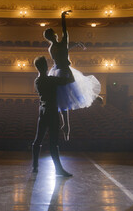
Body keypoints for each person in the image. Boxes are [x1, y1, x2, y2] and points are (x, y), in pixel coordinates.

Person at [43, 10, 101, 141]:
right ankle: (67, 125)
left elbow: (64, 51)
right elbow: (65, 32)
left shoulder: (51, 47)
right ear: (53, 35)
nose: (56, 34)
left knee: (63, 101)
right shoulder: (61, 44)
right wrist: (62, 18)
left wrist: (74, 45)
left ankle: (66, 126)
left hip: (56, 71)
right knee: (72, 93)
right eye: (54, 33)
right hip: (64, 71)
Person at [32, 56, 74, 177]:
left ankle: (35, 167)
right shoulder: (51, 80)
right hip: (51, 111)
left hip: (42, 111)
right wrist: (67, 67)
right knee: (53, 143)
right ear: (45, 66)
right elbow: (70, 80)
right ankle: (58, 169)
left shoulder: (37, 81)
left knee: (37, 140)